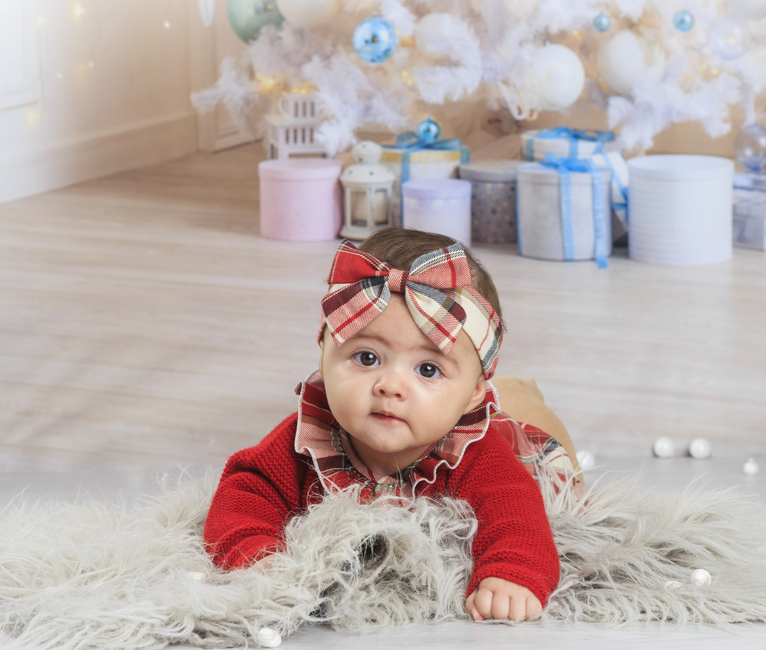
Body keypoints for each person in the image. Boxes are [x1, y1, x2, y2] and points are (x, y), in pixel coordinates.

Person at [203, 228, 581, 622]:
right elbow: (246, 491)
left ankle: (519, 390)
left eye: (428, 369)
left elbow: (517, 517)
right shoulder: (306, 439)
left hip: (524, 446)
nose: (390, 386)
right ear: (323, 353)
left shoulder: (480, 455)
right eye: (367, 358)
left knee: (532, 425)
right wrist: (255, 551)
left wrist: (511, 573)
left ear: (473, 392)